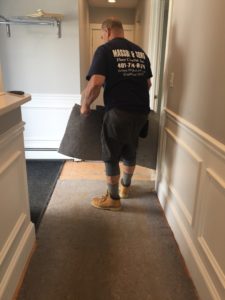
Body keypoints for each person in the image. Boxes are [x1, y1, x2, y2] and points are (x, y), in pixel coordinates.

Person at [80, 17, 152, 211]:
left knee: (111, 155)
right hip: (142, 112)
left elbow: (95, 83)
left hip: (119, 111)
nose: (103, 38)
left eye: (103, 34)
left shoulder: (105, 50)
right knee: (130, 149)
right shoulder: (140, 52)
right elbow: (148, 84)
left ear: (108, 30)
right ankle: (125, 189)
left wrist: (85, 105)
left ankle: (113, 199)